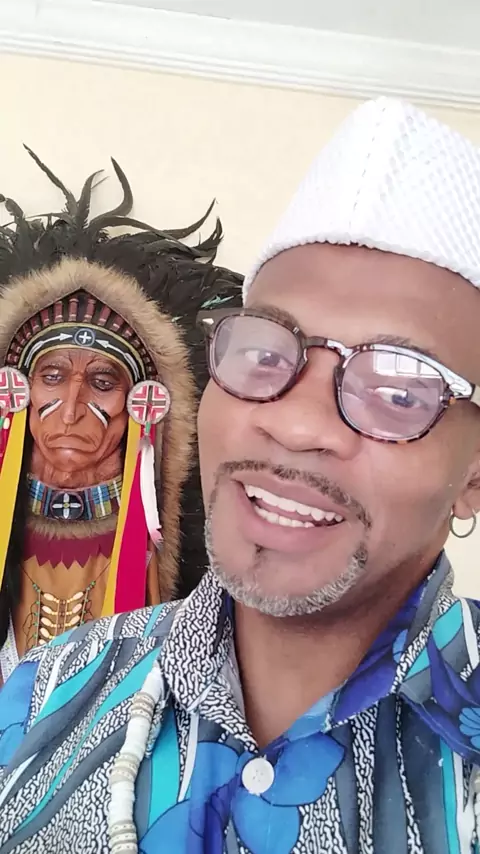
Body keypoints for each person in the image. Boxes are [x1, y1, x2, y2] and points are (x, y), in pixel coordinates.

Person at [2, 96, 480, 854]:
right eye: (263, 353)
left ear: (474, 475)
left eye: (398, 390)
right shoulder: (40, 697)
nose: (295, 423)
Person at [0, 149, 242, 684]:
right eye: (52, 376)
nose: (71, 410)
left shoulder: (163, 542)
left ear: (143, 402)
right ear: (17, 388)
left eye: (103, 383)